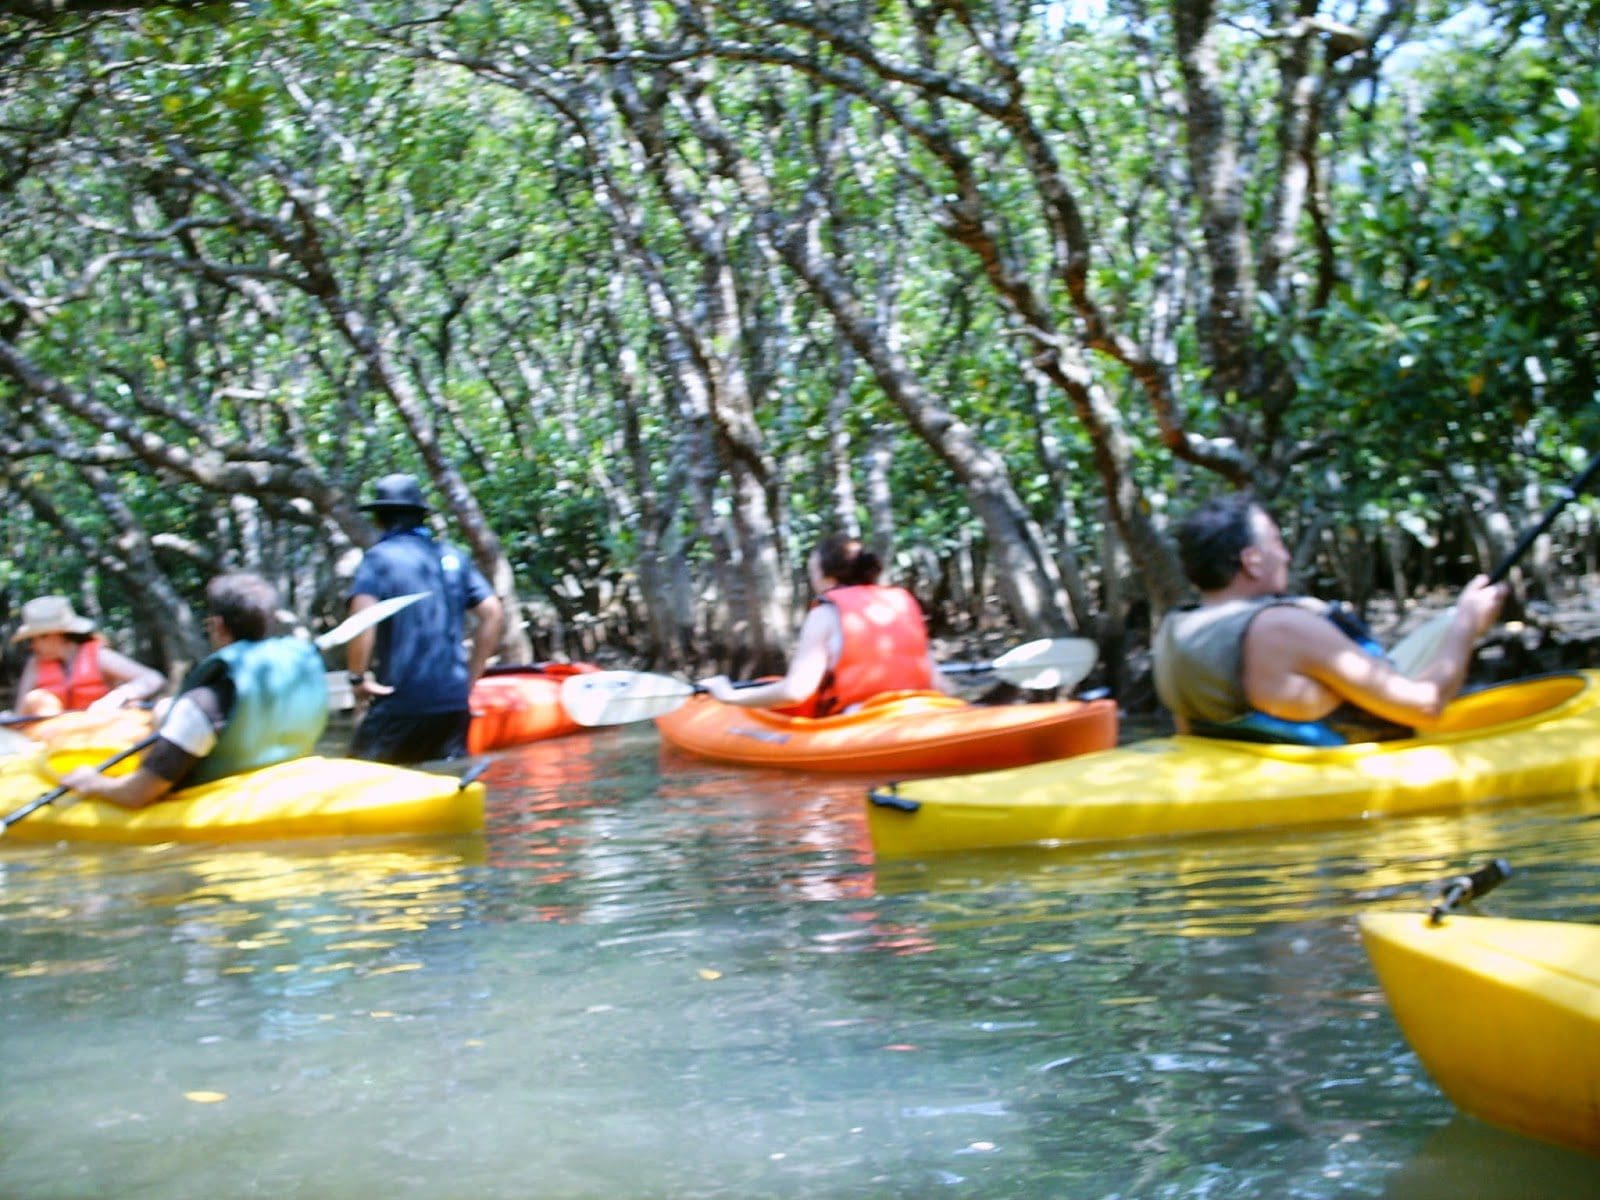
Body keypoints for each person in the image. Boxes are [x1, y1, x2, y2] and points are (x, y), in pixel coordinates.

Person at [1152, 492, 1507, 745]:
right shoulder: (1281, 626)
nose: (1286, 555)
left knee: (1442, 625)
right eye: (1276, 542)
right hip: (1336, 768)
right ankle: (1460, 615)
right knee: (1454, 622)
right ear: (1252, 561)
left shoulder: (1175, 629)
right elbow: (1425, 705)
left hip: (1247, 758)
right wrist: (1466, 627)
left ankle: (1454, 616)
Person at [59, 572, 328, 809]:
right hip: (283, 779)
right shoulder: (298, 665)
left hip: (218, 796)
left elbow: (136, 794)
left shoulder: (204, 701)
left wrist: (93, 783)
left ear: (218, 625)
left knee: (167, 712)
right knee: (165, 708)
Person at [344, 473, 504, 764]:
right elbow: (492, 612)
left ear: (379, 518)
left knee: (361, 781)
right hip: (453, 703)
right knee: (446, 782)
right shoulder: (453, 556)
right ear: (421, 517)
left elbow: (363, 614)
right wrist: (472, 676)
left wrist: (357, 677)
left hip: (401, 702)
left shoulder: (378, 559)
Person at [699, 532, 950, 716]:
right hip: (926, 709)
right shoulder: (902, 601)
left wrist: (730, 696)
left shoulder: (827, 611)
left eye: (813, 571)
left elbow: (795, 691)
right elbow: (940, 685)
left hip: (864, 721)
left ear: (828, 575)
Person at [9, 595, 165, 717]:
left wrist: (117, 697)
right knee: (37, 698)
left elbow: (153, 678)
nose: (31, 646)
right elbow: (20, 713)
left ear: (52, 635)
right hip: (53, 739)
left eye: (33, 639)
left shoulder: (99, 656)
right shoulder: (34, 665)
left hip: (100, 731)